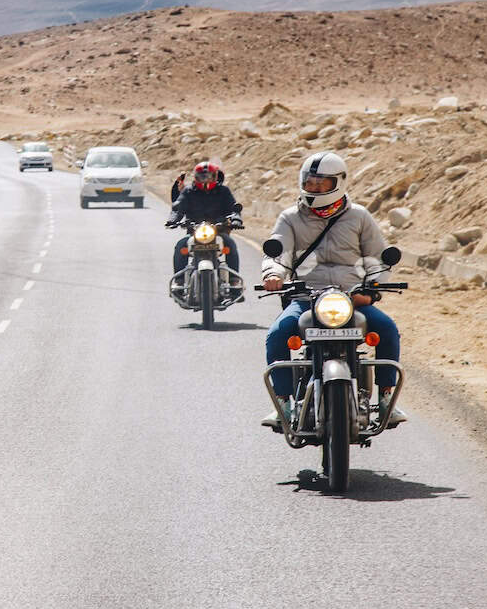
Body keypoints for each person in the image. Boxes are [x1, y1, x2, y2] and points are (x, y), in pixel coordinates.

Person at [261, 151, 406, 430]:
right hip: (307, 297)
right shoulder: (290, 217)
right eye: (310, 182)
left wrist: (372, 288)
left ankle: (387, 398)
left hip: (352, 298)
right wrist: (274, 274)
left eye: (321, 183)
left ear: (338, 182)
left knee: (387, 329)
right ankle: (283, 404)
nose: (314, 188)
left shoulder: (359, 216)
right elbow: (277, 253)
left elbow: (377, 258)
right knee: (278, 334)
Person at [166, 161, 242, 282]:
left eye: (208, 176)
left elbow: (233, 208)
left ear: (215, 176)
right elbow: (178, 208)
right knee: (181, 246)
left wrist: (236, 219)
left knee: (230, 245)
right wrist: (172, 220)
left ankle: (234, 281)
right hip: (194, 232)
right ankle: (179, 281)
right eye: (201, 176)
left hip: (218, 231)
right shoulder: (188, 191)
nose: (205, 180)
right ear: (196, 177)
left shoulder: (223, 191)